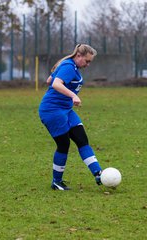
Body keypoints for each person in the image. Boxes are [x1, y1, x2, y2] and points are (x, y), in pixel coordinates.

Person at [39, 44, 102, 190]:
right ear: (78, 56)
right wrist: (73, 95)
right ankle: (56, 182)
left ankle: (98, 173)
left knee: (82, 140)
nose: (88, 64)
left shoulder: (70, 66)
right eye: (87, 61)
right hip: (52, 110)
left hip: (65, 110)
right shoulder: (68, 66)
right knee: (64, 145)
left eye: (90, 62)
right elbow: (55, 84)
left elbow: (49, 80)